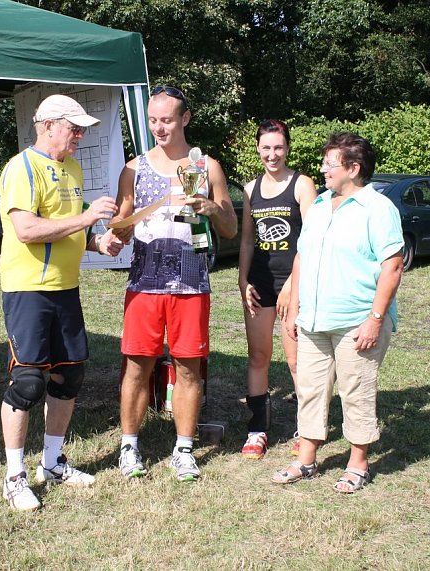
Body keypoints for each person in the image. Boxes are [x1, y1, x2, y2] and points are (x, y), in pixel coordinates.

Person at [0, 94, 124, 511]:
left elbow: (66, 227)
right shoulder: (22, 168)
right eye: (74, 127)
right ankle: (14, 477)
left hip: (65, 287)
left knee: (69, 377)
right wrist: (87, 219)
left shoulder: (71, 167)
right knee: (28, 381)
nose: (81, 134)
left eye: (83, 127)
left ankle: (52, 463)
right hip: (28, 288)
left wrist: (97, 241)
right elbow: (28, 229)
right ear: (48, 124)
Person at [111, 86, 238, 482]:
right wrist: (117, 232)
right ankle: (129, 446)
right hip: (145, 284)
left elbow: (231, 228)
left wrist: (211, 207)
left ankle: (183, 449)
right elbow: (122, 222)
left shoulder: (206, 167)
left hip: (191, 283)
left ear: (185, 119)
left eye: (166, 120)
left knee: (188, 370)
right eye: (152, 120)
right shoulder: (133, 169)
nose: (159, 128)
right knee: (136, 367)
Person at [275, 132, 403, 493]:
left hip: (356, 320)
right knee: (311, 389)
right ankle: (307, 459)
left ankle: (358, 462)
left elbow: (392, 266)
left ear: (354, 168)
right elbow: (302, 256)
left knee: (356, 389)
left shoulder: (377, 209)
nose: (323, 169)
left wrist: (375, 319)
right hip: (314, 319)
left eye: (330, 163)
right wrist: (295, 305)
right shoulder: (318, 204)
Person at [238, 119, 315, 460]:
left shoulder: (302, 185)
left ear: (288, 148)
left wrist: (293, 288)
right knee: (258, 357)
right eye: (267, 147)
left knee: (296, 360)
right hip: (260, 285)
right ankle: (257, 430)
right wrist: (243, 281)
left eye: (279, 147)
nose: (273, 154)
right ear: (258, 149)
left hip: (294, 285)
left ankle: (306, 428)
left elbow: (312, 241)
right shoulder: (250, 189)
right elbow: (246, 240)